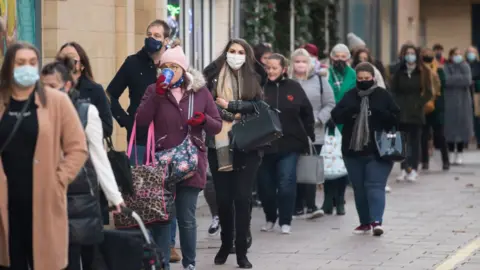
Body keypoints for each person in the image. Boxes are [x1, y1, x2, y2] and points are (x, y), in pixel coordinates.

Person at [0, 42, 88, 270]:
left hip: (44, 202)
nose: (26, 67)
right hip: (5, 204)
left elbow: (77, 147)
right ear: (9, 66)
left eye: (32, 62)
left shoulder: (56, 101)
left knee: (46, 262)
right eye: (20, 63)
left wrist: (59, 179)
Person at [136, 46, 222, 270]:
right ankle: (163, 262)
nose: (169, 70)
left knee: (187, 217)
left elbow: (217, 125)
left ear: (183, 69)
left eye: (174, 67)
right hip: (162, 163)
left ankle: (190, 263)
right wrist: (157, 92)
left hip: (192, 161)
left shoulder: (199, 92)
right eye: (165, 67)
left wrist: (203, 120)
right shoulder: (153, 91)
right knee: (163, 216)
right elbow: (142, 121)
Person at [41, 58, 125, 270]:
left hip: (80, 198)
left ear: (67, 85)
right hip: (48, 196)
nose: (46, 92)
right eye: (43, 87)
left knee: (81, 256)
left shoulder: (85, 112)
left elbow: (99, 156)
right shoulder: (36, 111)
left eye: (52, 86)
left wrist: (114, 197)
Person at [203, 38, 263, 269]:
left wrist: (233, 107)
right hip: (218, 142)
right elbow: (207, 104)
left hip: (247, 144)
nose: (236, 55)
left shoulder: (254, 77)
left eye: (240, 52)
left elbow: (258, 107)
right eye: (232, 51)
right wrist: (227, 112)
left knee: (242, 197)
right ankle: (225, 242)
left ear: (246, 55)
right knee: (224, 198)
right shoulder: (213, 75)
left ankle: (241, 250)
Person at [331, 62, 399, 236]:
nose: (363, 81)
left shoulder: (382, 95)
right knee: (359, 188)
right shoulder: (350, 96)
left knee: (375, 185)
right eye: (360, 79)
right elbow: (336, 115)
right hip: (353, 151)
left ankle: (377, 221)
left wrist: (379, 113)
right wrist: (351, 112)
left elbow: (397, 118)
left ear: (373, 78)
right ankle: (365, 222)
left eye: (366, 79)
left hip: (379, 151)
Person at [258, 53, 315, 234]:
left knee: (286, 182)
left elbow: (307, 112)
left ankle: (285, 220)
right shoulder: (260, 88)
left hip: (290, 144)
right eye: (268, 67)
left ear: (284, 69)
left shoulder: (294, 87)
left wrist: (309, 135)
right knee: (265, 186)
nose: (271, 71)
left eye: (274, 68)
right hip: (264, 145)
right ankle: (270, 217)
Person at [107, 19, 171, 165]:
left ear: (166, 40)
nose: (151, 39)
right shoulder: (133, 63)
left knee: (166, 185)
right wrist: (126, 120)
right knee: (139, 183)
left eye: (157, 35)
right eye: (149, 34)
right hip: (139, 137)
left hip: (168, 138)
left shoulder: (173, 65)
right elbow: (109, 95)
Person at [289, 48, 335, 219]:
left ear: (309, 63)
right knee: (293, 168)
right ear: (291, 63)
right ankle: (296, 206)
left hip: (314, 132)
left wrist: (318, 119)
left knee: (309, 166)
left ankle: (311, 205)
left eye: (303, 61)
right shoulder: (287, 81)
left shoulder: (320, 80)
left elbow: (330, 103)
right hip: (291, 133)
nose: (300, 65)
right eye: (297, 61)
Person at [391, 44, 433, 182]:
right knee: (402, 141)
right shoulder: (399, 71)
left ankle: (414, 169)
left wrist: (419, 103)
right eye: (407, 53)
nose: (410, 55)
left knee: (415, 142)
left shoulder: (423, 71)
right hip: (401, 111)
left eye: (412, 53)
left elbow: (428, 92)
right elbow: (394, 90)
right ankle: (404, 168)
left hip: (416, 112)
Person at [324, 43, 356, 215]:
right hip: (328, 123)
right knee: (328, 160)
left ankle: (341, 199)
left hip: (347, 123)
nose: (340, 60)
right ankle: (328, 199)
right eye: (337, 56)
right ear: (331, 57)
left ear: (349, 59)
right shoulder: (325, 73)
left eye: (344, 56)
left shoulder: (354, 75)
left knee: (343, 163)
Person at [57, 42, 113, 138]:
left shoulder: (95, 90)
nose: (66, 61)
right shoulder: (51, 89)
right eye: (62, 58)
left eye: (71, 57)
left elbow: (107, 128)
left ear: (82, 65)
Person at [420, 48, 450, 170]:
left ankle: (445, 161)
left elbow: (443, 84)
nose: (427, 56)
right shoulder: (419, 70)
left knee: (440, 135)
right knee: (423, 135)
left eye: (429, 55)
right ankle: (425, 161)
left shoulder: (439, 69)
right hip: (423, 106)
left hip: (437, 106)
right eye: (425, 55)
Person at [443, 47, 474, 165]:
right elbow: (445, 80)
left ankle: (460, 153)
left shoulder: (465, 66)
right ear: (450, 56)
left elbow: (467, 80)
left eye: (459, 54)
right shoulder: (446, 67)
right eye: (455, 54)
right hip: (449, 101)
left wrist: (454, 80)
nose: (457, 56)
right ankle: (451, 152)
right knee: (450, 127)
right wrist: (459, 79)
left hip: (463, 102)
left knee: (462, 127)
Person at [465, 46, 480, 149]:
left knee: (477, 118)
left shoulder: (478, 65)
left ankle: (478, 140)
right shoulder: (464, 65)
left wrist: (475, 83)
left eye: (473, 52)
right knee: (466, 118)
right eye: (469, 52)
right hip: (465, 94)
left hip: (476, 94)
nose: (471, 54)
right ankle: (465, 140)